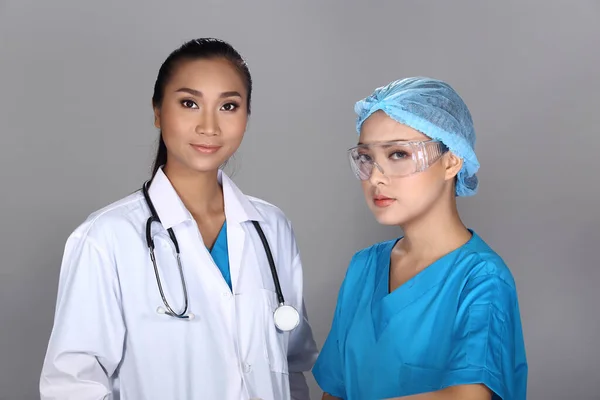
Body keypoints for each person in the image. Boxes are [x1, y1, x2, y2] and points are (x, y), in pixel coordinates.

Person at [40, 38, 318, 400]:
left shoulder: (271, 228)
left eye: (228, 106)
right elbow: (72, 387)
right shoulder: (104, 238)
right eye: (189, 103)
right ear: (157, 111)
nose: (209, 126)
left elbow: (292, 366)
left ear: (247, 116)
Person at [312, 77, 527, 400]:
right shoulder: (364, 267)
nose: (376, 177)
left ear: (452, 161)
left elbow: (468, 397)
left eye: (398, 154)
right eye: (367, 158)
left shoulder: (481, 279)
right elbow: (336, 390)